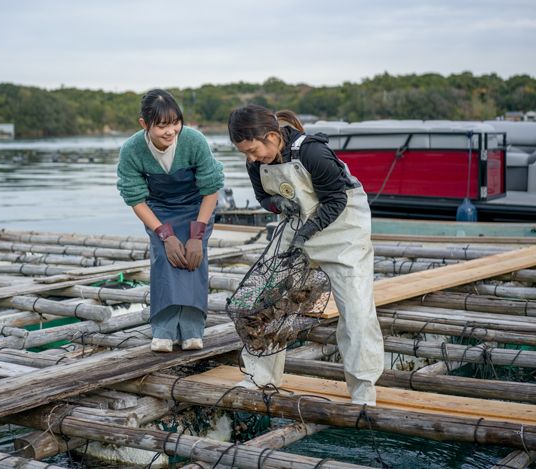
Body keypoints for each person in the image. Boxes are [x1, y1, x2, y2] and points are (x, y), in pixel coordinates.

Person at [228, 105, 384, 406]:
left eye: (253, 149)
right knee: (267, 301)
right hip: (297, 225)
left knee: (356, 312)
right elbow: (263, 198)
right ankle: (259, 375)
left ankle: (364, 390)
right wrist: (275, 203)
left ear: (272, 136)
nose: (250, 158)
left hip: (343, 232)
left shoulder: (312, 152)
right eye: (244, 153)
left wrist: (308, 230)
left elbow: (337, 198)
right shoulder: (256, 163)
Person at [117, 89, 225, 352]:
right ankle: (164, 330)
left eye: (175, 123)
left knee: (192, 261)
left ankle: (192, 329)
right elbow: (135, 199)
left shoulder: (194, 141)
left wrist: (197, 236)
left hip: (196, 206)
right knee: (164, 260)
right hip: (159, 210)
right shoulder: (132, 150)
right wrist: (165, 235)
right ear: (145, 124)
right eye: (162, 125)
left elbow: (211, 190)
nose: (170, 131)